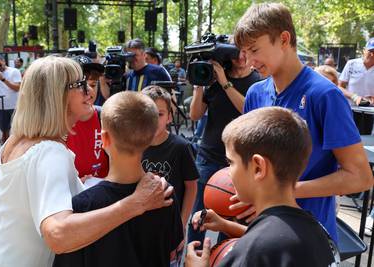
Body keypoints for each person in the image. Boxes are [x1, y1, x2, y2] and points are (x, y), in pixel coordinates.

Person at [0, 56, 174, 267]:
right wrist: (136, 203)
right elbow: (58, 234)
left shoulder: (18, 139)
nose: (89, 91)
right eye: (80, 84)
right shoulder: (49, 152)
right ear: (57, 95)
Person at [235, 2, 373, 242]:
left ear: (284, 39)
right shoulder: (255, 94)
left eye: (254, 50)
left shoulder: (326, 96)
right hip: (261, 232)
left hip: (308, 237)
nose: (248, 61)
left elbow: (360, 177)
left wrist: (284, 192)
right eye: (245, 52)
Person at [186, 107, 339, 267]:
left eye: (231, 162)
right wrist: (226, 226)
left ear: (258, 167)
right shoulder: (316, 230)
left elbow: (262, 246)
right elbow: (276, 242)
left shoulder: (251, 253)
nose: (228, 172)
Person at [53, 91, 183, 267]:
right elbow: (172, 250)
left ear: (104, 138)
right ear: (152, 136)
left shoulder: (82, 206)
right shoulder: (165, 193)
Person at [188, 46, 261, 245]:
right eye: (236, 51)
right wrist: (199, 84)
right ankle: (193, 256)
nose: (242, 56)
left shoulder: (259, 82)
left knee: (233, 218)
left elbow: (248, 110)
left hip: (241, 162)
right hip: (209, 156)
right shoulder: (213, 80)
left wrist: (224, 82)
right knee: (198, 216)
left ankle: (224, 255)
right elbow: (194, 115)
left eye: (246, 51)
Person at [141, 85, 198, 233]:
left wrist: (182, 223)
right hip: (139, 224)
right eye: (147, 113)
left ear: (169, 117)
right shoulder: (134, 146)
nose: (153, 120)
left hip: (170, 225)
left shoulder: (181, 147)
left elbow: (191, 186)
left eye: (159, 114)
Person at [66, 55, 109, 181]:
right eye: (81, 85)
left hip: (102, 193)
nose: (89, 91)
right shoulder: (56, 123)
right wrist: (77, 184)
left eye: (93, 85)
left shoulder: (104, 117)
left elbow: (114, 158)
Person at [338, 37, 374, 134]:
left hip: (369, 112)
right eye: (370, 51)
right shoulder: (352, 64)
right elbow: (339, 86)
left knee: (365, 142)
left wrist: (371, 99)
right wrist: (354, 97)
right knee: (347, 137)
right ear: (364, 50)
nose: (372, 54)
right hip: (350, 109)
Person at [0, 54, 22, 144]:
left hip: (15, 106)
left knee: (17, 132)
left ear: (4, 61)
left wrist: (3, 79)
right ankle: (5, 153)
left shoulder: (14, 71)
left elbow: (17, 88)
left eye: (0, 64)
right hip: (1, 107)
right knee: (4, 133)